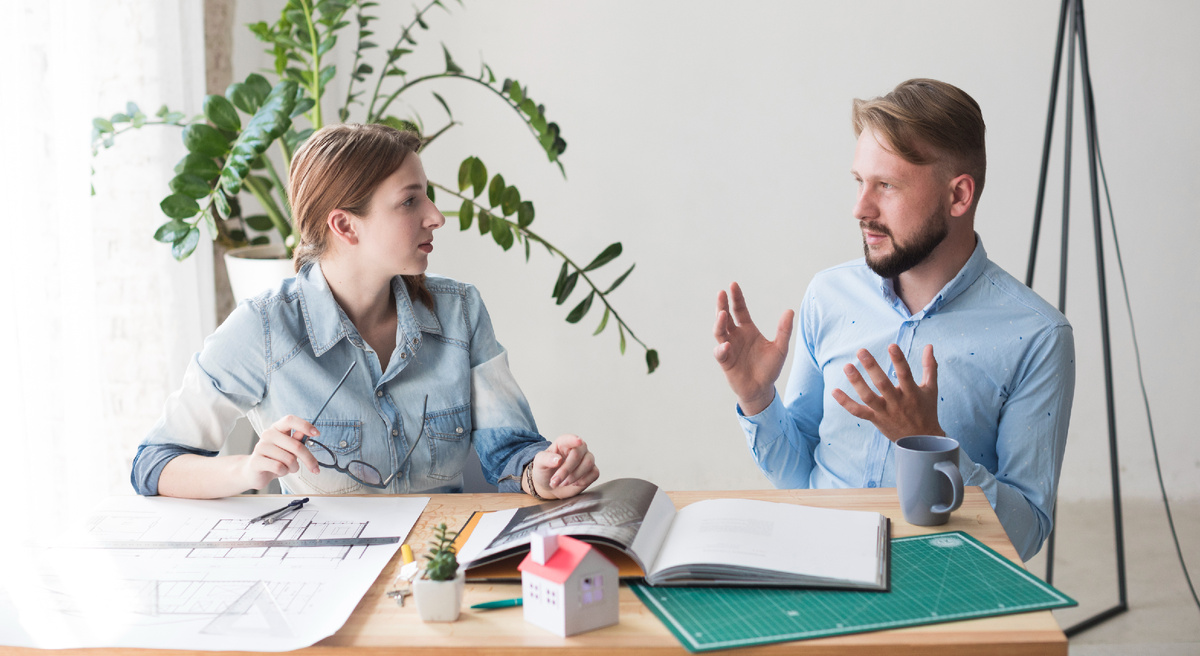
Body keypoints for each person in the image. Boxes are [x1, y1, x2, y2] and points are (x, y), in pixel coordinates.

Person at [132, 123, 598, 500]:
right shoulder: (265, 328)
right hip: (326, 580)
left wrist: (547, 471)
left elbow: (511, 451)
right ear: (344, 225)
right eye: (410, 201)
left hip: (441, 573)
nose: (435, 217)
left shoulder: (461, 311)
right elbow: (153, 462)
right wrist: (247, 469)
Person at [713, 78, 1074, 562]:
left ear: (958, 196)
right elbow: (801, 475)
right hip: (817, 568)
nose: (860, 209)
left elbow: (1026, 534)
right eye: (860, 182)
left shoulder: (1038, 337)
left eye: (887, 186)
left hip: (938, 585)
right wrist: (757, 400)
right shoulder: (829, 295)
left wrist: (927, 445)